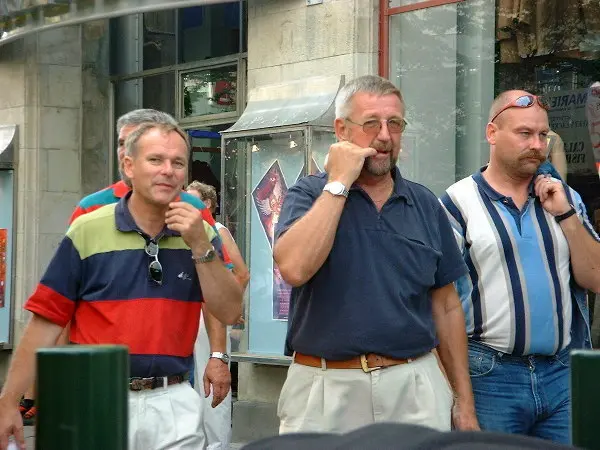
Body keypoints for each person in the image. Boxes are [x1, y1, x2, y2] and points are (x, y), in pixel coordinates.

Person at [0, 122, 243, 450]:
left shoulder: (201, 233)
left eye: (178, 162)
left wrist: (201, 246)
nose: (167, 171)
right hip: (99, 398)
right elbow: (46, 319)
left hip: (174, 402)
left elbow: (230, 309)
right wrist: (9, 400)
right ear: (129, 166)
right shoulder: (88, 229)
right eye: (155, 160)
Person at [273, 75, 478, 434]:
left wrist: (464, 403)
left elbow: (446, 306)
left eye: (394, 124)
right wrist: (338, 184)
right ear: (341, 130)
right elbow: (294, 268)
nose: (384, 136)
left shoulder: (424, 203)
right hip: (325, 387)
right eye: (371, 124)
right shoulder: (308, 194)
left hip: (415, 385)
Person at [440, 90, 600, 444]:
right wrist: (461, 401)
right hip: (490, 377)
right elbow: (440, 305)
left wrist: (567, 215)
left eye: (543, 135)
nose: (536, 144)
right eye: (524, 134)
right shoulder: (456, 203)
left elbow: (595, 278)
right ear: (492, 134)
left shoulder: (564, 198)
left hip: (561, 375)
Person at [187, 181, 250, 450]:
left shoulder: (217, 230)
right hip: (193, 313)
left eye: (192, 199)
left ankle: (216, 444)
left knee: (210, 381)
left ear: (208, 203)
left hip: (209, 314)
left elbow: (242, 272)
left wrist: (229, 304)